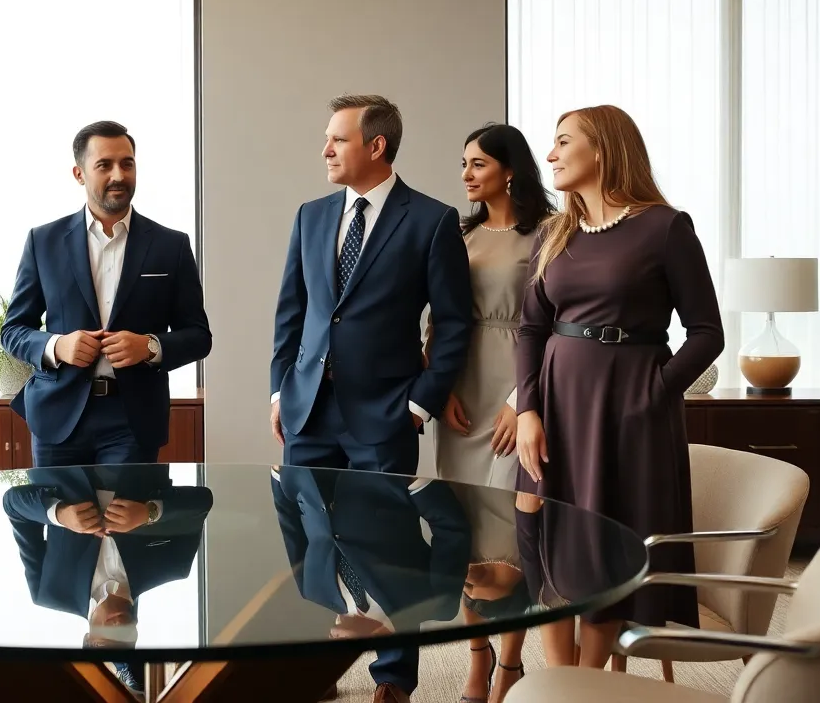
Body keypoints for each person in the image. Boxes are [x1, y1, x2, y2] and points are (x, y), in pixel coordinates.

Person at [270, 94, 474, 703]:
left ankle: (393, 678)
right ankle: (319, 668)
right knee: (311, 539)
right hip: (308, 408)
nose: (325, 150)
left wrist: (419, 404)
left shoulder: (431, 220)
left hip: (385, 412)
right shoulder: (311, 216)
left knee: (392, 543)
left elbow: (454, 323)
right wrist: (279, 389)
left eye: (337, 139)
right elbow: (292, 312)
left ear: (376, 145)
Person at [514, 105, 724, 669]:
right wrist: (528, 410)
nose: (550, 155)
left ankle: (587, 682)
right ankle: (560, 679)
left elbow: (707, 333)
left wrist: (653, 392)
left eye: (563, 142)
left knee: (603, 540)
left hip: (627, 407)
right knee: (540, 525)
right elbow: (530, 329)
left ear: (603, 148)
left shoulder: (665, 228)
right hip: (556, 401)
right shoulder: (554, 232)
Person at [427, 123, 556, 702]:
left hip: (518, 387)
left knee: (511, 530)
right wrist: (440, 385)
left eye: (477, 163)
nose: (466, 174)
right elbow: (439, 317)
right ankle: (476, 660)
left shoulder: (549, 234)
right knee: (464, 532)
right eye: (463, 163)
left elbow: (555, 324)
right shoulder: (458, 234)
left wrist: (520, 401)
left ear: (510, 170)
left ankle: (510, 662)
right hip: (461, 387)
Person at [0, 121, 212, 468]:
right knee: (62, 506)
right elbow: (13, 330)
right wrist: (57, 346)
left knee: (128, 506)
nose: (118, 175)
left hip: (133, 419)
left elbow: (199, 337)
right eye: (104, 165)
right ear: (79, 174)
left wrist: (149, 347)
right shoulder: (43, 242)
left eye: (127, 164)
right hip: (58, 416)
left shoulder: (171, 246)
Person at [2, 464, 214, 697]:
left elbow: (13, 505)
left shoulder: (48, 591)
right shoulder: (172, 567)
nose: (118, 629)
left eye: (109, 642)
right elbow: (202, 502)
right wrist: (149, 513)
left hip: (59, 460)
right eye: (126, 640)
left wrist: (59, 515)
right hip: (132, 458)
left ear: (89, 639)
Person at [271, 467, 470, 703]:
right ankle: (393, 681)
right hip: (377, 466)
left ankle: (331, 678)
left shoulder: (313, 588)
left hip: (309, 465)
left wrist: (279, 475)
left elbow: (290, 523)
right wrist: (418, 482)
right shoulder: (433, 599)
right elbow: (451, 527)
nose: (337, 640)